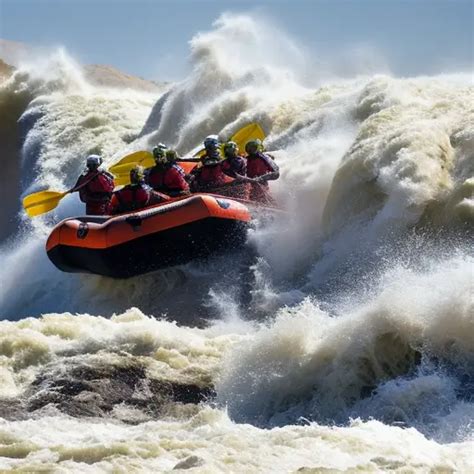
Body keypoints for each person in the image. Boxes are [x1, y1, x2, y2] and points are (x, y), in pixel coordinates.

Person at [245, 139, 280, 203]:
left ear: (257, 148)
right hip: (251, 187)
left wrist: (261, 178)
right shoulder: (246, 159)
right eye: (249, 149)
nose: (251, 150)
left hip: (262, 187)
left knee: (261, 195)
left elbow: (276, 173)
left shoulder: (264, 157)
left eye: (253, 148)